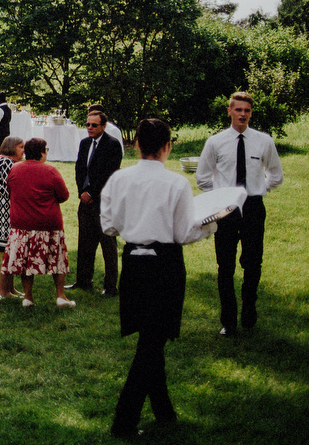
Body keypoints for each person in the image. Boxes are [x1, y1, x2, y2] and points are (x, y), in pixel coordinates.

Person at [103, 119, 215, 439]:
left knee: (151, 339)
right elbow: (182, 233)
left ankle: (164, 410)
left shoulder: (118, 179)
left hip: (133, 264)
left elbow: (109, 227)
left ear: (137, 144)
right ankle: (123, 422)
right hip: (165, 265)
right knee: (151, 343)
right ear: (167, 146)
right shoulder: (177, 184)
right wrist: (211, 224)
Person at [196, 91, 283, 336]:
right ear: (229, 111)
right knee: (225, 265)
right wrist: (222, 196)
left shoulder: (263, 141)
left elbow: (276, 175)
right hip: (225, 210)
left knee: (253, 262)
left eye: (247, 110)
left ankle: (249, 309)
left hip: (254, 208)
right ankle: (228, 321)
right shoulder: (216, 142)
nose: (242, 114)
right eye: (238, 110)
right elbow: (202, 177)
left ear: (251, 113)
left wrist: (259, 189)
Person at [3, 137, 74, 308]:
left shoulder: (15, 169)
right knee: (57, 259)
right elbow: (64, 196)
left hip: (22, 224)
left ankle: (28, 297)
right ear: (42, 152)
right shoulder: (51, 171)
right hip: (48, 223)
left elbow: (9, 189)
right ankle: (60, 295)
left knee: (26, 260)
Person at [68, 110, 123, 296]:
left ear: (103, 126)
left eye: (94, 125)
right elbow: (79, 169)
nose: (89, 128)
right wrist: (81, 192)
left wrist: (92, 192)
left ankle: (110, 286)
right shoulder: (84, 143)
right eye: (87, 124)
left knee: (108, 244)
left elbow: (110, 173)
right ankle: (83, 280)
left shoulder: (112, 145)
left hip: (103, 202)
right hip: (85, 201)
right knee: (85, 242)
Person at [0, 137, 24, 299]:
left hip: (1, 209)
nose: (24, 150)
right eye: (21, 147)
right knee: (9, 253)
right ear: (11, 148)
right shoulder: (6, 164)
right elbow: (10, 188)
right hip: (7, 211)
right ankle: (4, 291)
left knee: (10, 253)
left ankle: (10, 288)